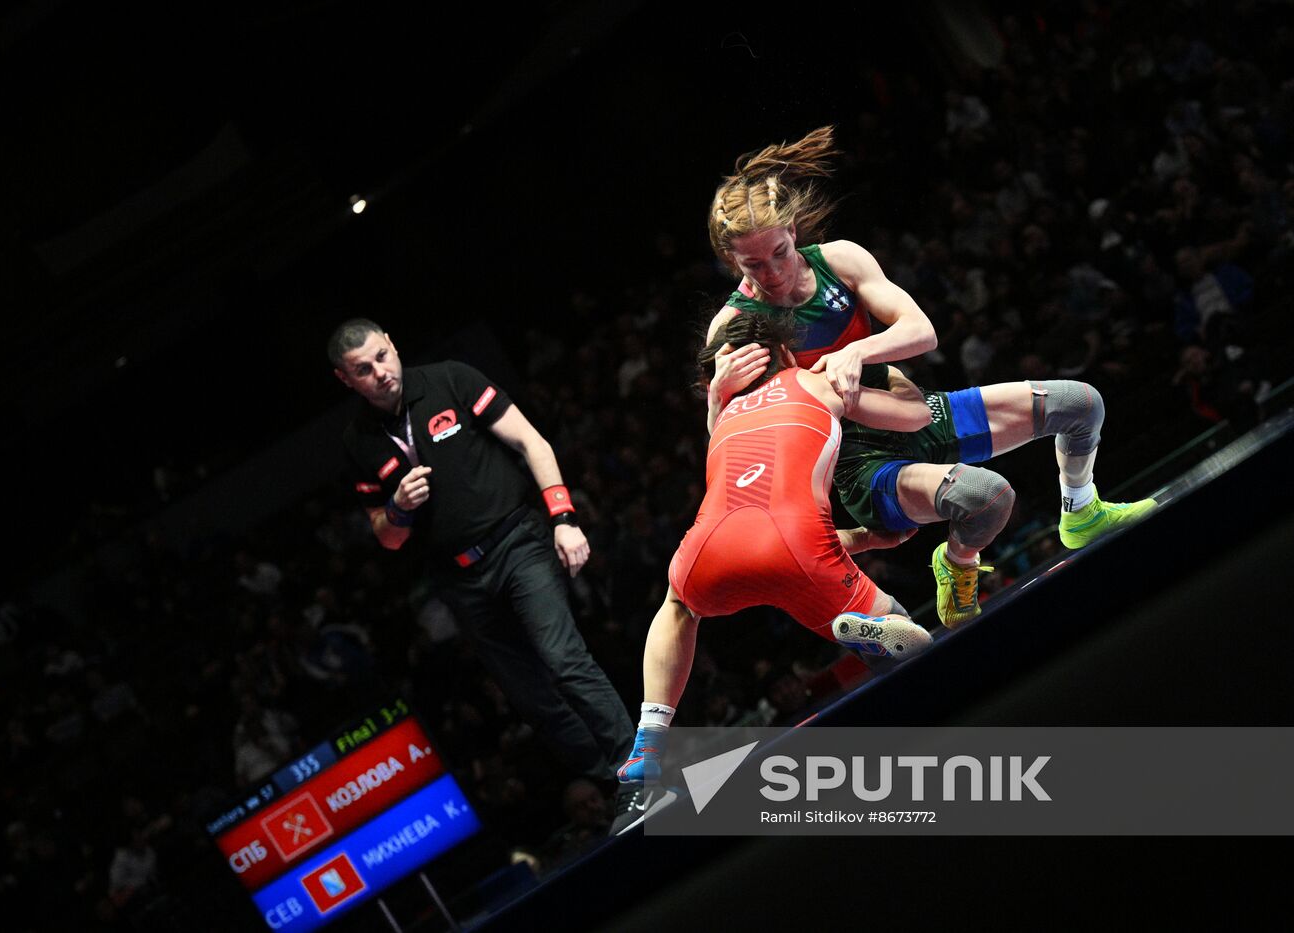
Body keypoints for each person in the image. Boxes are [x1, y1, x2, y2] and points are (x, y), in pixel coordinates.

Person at [702, 125, 1156, 628]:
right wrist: (715, 400)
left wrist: (858, 351)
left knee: (1080, 404)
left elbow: (922, 331)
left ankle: (1082, 511)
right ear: (731, 261)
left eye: (779, 253)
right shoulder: (735, 326)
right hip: (860, 465)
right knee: (982, 496)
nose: (772, 272)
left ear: (793, 232)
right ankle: (957, 565)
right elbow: (734, 447)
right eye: (753, 264)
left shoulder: (841, 260)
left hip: (912, 409)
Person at [612, 313, 934, 830]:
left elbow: (744, 495)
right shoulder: (815, 379)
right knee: (914, 656)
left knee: (678, 605)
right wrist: (880, 363)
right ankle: (882, 648)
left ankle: (649, 741)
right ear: (785, 352)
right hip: (796, 542)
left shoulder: (725, 415)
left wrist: (717, 396)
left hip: (707, 548)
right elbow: (914, 416)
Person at [329, 318, 634, 786]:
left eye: (382, 356)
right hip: (459, 580)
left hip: (517, 543)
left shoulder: (451, 378)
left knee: (564, 661)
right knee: (531, 698)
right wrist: (398, 507)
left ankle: (641, 771)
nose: (381, 371)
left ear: (392, 343)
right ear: (345, 379)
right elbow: (387, 537)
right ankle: (613, 783)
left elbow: (531, 441)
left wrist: (564, 517)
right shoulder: (358, 443)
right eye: (363, 369)